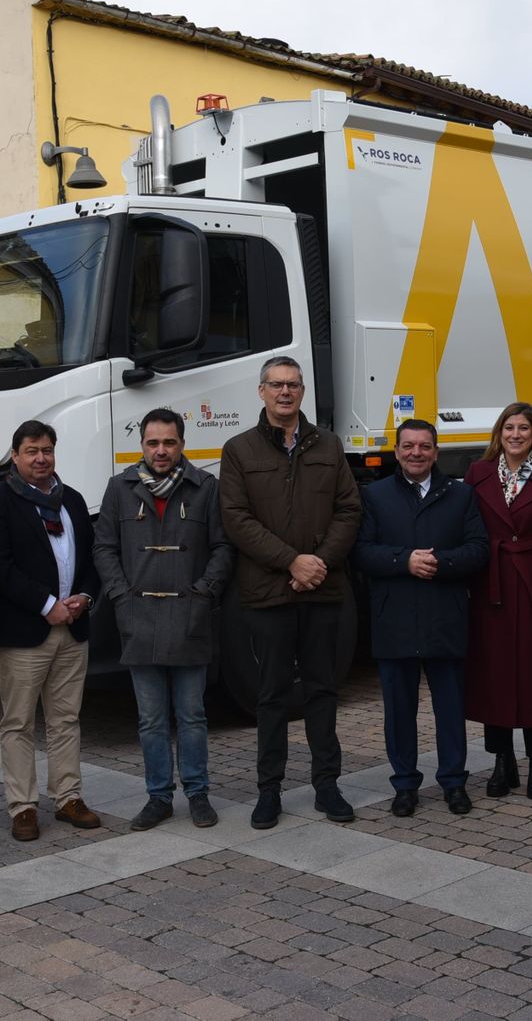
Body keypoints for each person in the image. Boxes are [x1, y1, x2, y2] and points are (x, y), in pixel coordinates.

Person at [220, 355, 363, 830]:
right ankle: (269, 791)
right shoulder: (238, 450)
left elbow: (348, 510)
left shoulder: (329, 445)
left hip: (322, 591)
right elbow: (237, 520)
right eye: (276, 385)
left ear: (303, 392)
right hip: (269, 593)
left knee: (323, 690)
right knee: (272, 695)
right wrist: (291, 562)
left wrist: (317, 564)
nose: (285, 392)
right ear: (260, 392)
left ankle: (327, 785)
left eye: (293, 385)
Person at [95, 408, 234, 831]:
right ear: (141, 445)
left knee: (191, 715)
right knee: (151, 718)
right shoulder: (120, 488)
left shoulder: (206, 488)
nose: (161, 450)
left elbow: (223, 548)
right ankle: (158, 797)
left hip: (189, 619)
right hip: (138, 620)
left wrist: (204, 592)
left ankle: (197, 793)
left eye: (169, 442)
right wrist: (120, 597)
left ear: (182, 444)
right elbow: (104, 548)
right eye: (153, 442)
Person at [354, 418, 488, 817]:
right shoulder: (375, 496)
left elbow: (479, 549)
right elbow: (361, 553)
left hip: (444, 616)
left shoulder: (461, 495)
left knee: (450, 706)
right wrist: (404, 561)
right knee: (398, 710)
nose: (416, 453)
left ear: (436, 451)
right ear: (396, 451)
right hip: (393, 617)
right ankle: (405, 785)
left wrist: (439, 562)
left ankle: (453, 783)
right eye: (408, 446)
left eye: (424, 446)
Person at [0, 420, 102, 843]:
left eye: (47, 450)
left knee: (66, 718)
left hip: (73, 627)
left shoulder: (72, 499)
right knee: (18, 723)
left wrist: (84, 597)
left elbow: (92, 557)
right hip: (25, 630)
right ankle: (23, 806)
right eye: (31, 450)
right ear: (14, 456)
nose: (41, 458)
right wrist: (47, 604)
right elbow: (1, 567)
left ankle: (68, 797)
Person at [464, 402, 532, 800]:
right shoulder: (477, 474)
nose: (515, 435)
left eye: (523, 428)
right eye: (508, 427)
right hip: (489, 588)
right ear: (499, 433)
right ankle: (501, 761)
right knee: (494, 677)